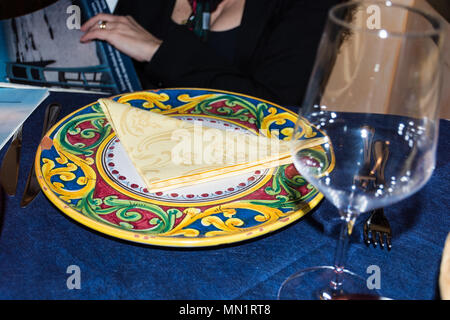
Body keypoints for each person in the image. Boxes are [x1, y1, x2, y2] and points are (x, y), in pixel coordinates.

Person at [80, 0, 341, 106]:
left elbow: (276, 109)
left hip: (252, 171)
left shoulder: (309, 5)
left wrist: (159, 51)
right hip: (141, 155)